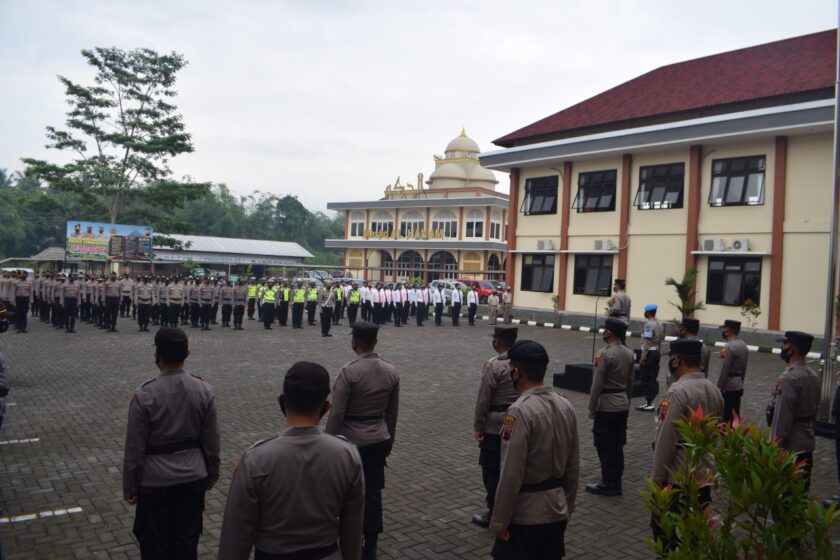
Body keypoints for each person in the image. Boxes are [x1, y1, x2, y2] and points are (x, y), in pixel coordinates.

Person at [218, 361, 365, 560]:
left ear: (282, 401)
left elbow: (235, 537)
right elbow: (353, 528)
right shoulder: (348, 456)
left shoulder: (255, 460)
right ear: (327, 407)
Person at [122, 327, 221, 560]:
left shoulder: (144, 395)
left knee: (155, 547)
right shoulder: (204, 391)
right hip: (192, 477)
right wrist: (212, 473)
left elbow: (134, 449)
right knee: (186, 544)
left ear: (157, 355)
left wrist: (130, 486)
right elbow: (211, 441)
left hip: (154, 482)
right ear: (187, 353)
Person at [489, 340, 580, 560]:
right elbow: (573, 465)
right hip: (556, 511)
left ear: (516, 372)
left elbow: (511, 473)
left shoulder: (519, 411)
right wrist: (567, 505)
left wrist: (500, 521)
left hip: (526, 517)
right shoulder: (566, 405)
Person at [326, 321, 400, 560]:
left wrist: (329, 443)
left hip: (351, 441)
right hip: (378, 438)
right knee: (373, 493)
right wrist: (389, 440)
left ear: (354, 341)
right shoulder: (391, 370)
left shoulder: (349, 371)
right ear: (375, 341)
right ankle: (371, 545)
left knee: (347, 493)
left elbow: (337, 413)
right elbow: (392, 412)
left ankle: (349, 539)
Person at [650, 339, 723, 551]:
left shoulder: (678, 392)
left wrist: (656, 483)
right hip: (703, 476)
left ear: (676, 360)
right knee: (693, 537)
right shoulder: (714, 390)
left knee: (668, 539)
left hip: (677, 478)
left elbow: (665, 442)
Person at [472, 325, 519, 527]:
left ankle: (494, 513)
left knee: (492, 471)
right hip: (518, 420)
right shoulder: (523, 362)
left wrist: (479, 425)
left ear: (497, 341)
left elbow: (484, 399)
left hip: (495, 424)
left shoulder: (493, 365)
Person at [585, 318, 634, 497]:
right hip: (621, 404)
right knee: (617, 445)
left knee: (604, 445)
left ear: (609, 333)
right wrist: (626, 402)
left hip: (606, 406)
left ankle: (607, 483)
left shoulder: (604, 354)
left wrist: (592, 406)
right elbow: (630, 382)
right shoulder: (629, 353)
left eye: (606, 329)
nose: (603, 331)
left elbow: (597, 384)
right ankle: (616, 482)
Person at [768, 331, 820, 491]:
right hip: (806, 442)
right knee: (800, 496)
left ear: (793, 349)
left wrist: (775, 450)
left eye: (784, 345)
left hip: (790, 446)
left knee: (785, 500)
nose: (782, 348)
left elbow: (782, 418)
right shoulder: (812, 375)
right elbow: (814, 412)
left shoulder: (790, 378)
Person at [716, 319, 748, 423]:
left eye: (724, 330)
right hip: (738, 385)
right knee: (735, 415)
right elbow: (744, 369)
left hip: (728, 387)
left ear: (728, 331)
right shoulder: (743, 345)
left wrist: (718, 389)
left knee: (726, 417)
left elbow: (724, 370)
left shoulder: (729, 347)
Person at [636, 304, 662, 411]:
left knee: (646, 377)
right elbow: (659, 340)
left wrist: (642, 357)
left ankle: (649, 402)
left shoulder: (649, 325)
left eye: (645, 311)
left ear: (648, 312)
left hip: (649, 353)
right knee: (653, 377)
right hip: (656, 352)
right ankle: (650, 401)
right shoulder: (659, 324)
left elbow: (647, 342)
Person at [607, 278, 631, 344]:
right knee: (622, 340)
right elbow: (628, 311)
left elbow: (617, 308)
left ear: (617, 286)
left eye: (615, 285)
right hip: (625, 321)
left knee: (616, 341)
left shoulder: (616, 296)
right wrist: (628, 321)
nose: (614, 287)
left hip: (617, 322)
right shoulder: (627, 297)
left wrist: (609, 311)